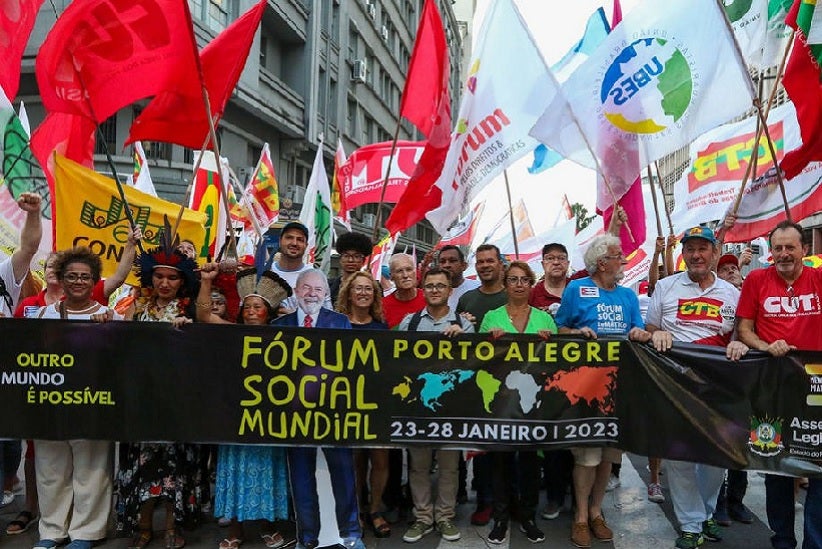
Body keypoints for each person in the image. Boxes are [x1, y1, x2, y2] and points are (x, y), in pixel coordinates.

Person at [644, 226, 748, 549]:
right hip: (675, 388)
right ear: (683, 254)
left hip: (717, 390)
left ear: (715, 253)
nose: (696, 255)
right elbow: (650, 327)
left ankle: (705, 514)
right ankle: (691, 525)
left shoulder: (731, 294)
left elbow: (740, 334)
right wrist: (655, 334)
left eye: (703, 248)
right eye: (690, 249)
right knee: (680, 459)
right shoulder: (665, 286)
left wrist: (739, 345)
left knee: (717, 459)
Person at [554, 234, 652, 549]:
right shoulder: (576, 289)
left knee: (609, 454)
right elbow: (559, 329)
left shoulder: (627, 295)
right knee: (587, 455)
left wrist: (639, 333)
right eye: (617, 255)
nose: (623, 260)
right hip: (586, 387)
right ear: (601, 262)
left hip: (620, 387)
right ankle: (581, 516)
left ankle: (597, 512)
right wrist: (576, 333)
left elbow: (638, 330)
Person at [737, 220, 822, 549]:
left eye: (791, 247)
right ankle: (783, 541)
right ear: (770, 252)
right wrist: (764, 346)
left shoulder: (818, 279)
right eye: (778, 248)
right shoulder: (757, 279)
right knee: (775, 469)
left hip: (816, 391)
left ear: (805, 249)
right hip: (770, 392)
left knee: (818, 471)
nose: (784, 253)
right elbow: (744, 329)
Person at [196, 263, 293, 549]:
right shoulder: (231, 331)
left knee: (267, 468)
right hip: (235, 415)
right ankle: (236, 530)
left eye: (258, 307)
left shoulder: (282, 337)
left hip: (268, 416)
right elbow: (203, 314)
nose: (251, 312)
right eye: (247, 306)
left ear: (269, 312)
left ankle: (267, 525)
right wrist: (205, 281)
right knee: (234, 469)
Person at [32, 246, 122, 549]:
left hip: (94, 405)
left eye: (85, 277)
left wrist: (109, 333)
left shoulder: (111, 317)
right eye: (72, 276)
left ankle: (86, 533)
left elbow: (124, 362)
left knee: (92, 469)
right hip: (51, 405)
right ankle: (51, 531)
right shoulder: (43, 315)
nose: (78, 282)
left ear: (95, 280)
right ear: (61, 279)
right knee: (49, 469)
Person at [117, 231, 203, 548]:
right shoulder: (135, 307)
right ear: (150, 277)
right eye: (159, 276)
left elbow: (204, 343)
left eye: (172, 278)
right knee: (141, 463)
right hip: (141, 398)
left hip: (175, 401)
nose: (165, 283)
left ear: (182, 282)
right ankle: (143, 526)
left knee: (173, 465)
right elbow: (121, 342)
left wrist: (189, 332)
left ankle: (170, 526)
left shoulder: (189, 311)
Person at [271, 268, 364, 549]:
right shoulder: (280, 326)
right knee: (300, 479)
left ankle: (350, 535)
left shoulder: (340, 322)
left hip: (333, 414)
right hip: (295, 416)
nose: (312, 294)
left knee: (344, 475)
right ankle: (307, 538)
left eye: (318, 289)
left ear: (325, 294)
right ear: (296, 291)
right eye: (306, 288)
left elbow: (349, 366)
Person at [397, 267, 472, 543]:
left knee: (449, 466)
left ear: (450, 291)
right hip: (419, 407)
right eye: (429, 286)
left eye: (441, 286)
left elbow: (477, 363)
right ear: (423, 289)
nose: (435, 290)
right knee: (418, 465)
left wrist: (465, 339)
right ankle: (422, 518)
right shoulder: (409, 323)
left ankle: (445, 517)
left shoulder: (465, 325)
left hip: (452, 408)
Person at [482, 261, 554, 545]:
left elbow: (559, 360)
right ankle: (500, 517)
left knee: (529, 463)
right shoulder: (491, 318)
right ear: (506, 283)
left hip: (533, 403)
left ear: (531, 283)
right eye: (513, 279)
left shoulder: (545, 320)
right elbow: (480, 358)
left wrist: (550, 342)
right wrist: (491, 341)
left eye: (525, 279)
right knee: (500, 461)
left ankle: (527, 516)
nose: (519, 284)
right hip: (500, 402)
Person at [335, 271, 392, 539]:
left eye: (368, 289)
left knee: (380, 459)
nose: (363, 293)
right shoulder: (337, 325)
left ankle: (375, 509)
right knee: (355, 460)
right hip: (346, 402)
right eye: (358, 288)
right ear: (348, 292)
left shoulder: (381, 328)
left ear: (374, 295)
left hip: (376, 400)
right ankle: (355, 509)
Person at [455, 243, 506, 527]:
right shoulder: (468, 300)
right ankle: (484, 500)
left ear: (500, 264)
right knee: (481, 444)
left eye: (490, 261)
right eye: (481, 262)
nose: (485, 265)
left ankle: (508, 497)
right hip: (479, 382)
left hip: (510, 382)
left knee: (508, 444)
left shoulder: (513, 295)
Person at [527, 242, 577, 519]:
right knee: (551, 441)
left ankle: (576, 493)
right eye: (550, 258)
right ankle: (555, 497)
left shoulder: (579, 287)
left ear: (568, 262)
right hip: (540, 377)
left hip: (575, 375)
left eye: (561, 257)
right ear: (542, 263)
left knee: (575, 437)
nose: (556, 262)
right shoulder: (533, 293)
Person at [713, 251, 755, 526]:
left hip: (748, 382)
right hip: (719, 381)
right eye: (724, 268)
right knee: (719, 444)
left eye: (733, 267)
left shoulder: (753, 295)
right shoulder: (720, 299)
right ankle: (717, 504)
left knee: (742, 446)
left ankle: (736, 502)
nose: (730, 271)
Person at [270, 222, 330, 313]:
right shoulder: (265, 272)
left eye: (300, 240)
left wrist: (295, 317)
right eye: (289, 238)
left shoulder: (316, 277)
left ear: (306, 245)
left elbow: (328, 317)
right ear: (280, 241)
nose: (294, 243)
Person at [382, 253, 425, 329]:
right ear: (391, 276)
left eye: (409, 269)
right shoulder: (382, 306)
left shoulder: (429, 299)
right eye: (399, 271)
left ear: (415, 273)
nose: (405, 275)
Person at [329, 231, 372, 304]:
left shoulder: (372, 286)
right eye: (346, 256)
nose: (350, 260)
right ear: (340, 259)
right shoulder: (328, 286)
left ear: (363, 260)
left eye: (356, 256)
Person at [436, 245, 480, 310]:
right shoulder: (433, 292)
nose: (447, 265)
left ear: (464, 266)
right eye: (442, 262)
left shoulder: (478, 288)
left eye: (452, 261)